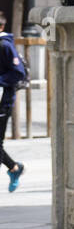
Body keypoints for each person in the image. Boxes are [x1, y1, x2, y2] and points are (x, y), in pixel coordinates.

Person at [0, 12, 24, 192]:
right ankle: (14, 167)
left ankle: (14, 168)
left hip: (2, 102)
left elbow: (18, 73)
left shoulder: (5, 45)